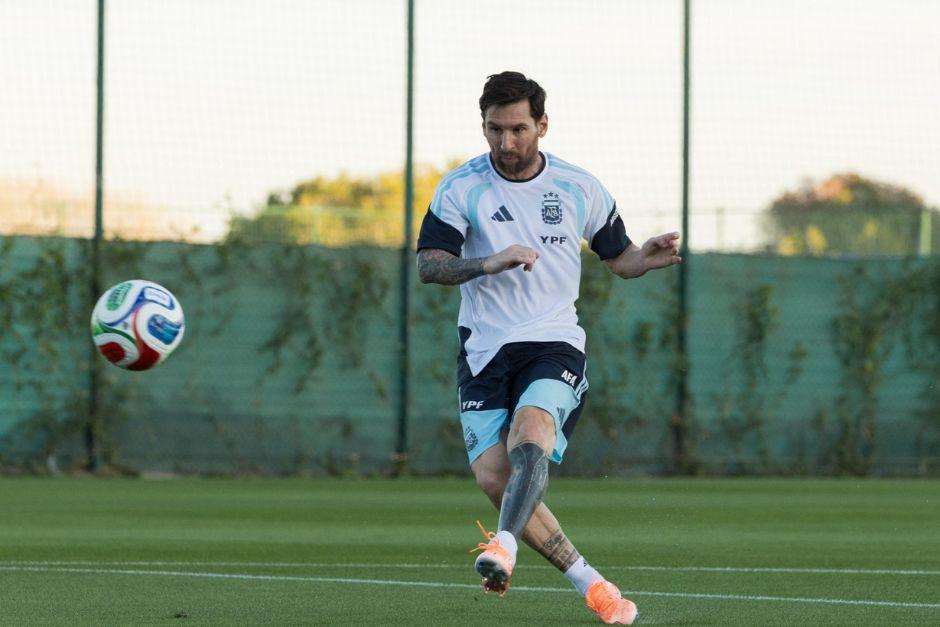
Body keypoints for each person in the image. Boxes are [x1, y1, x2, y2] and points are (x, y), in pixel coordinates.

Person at [415, 71, 681, 625]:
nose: (506, 142)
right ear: (483, 126)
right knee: (494, 478)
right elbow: (429, 265)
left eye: (517, 129)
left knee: (531, 430)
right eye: (495, 129)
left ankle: (504, 546)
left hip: (553, 342)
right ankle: (594, 585)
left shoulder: (578, 186)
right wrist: (489, 262)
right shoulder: (461, 187)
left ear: (542, 125)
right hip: (484, 351)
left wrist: (644, 258)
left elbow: (619, 257)